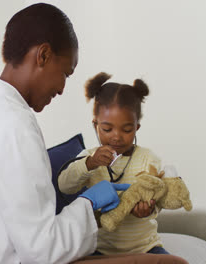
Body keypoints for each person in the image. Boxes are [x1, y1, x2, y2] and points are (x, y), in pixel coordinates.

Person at [0, 4, 130, 264]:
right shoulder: (14, 124)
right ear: (43, 55)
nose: (62, 88)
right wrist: (89, 204)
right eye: (65, 73)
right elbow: (42, 250)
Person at [58, 72, 177, 256]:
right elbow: (64, 185)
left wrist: (150, 208)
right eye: (107, 129)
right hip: (100, 250)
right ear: (95, 124)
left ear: (136, 127)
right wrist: (90, 163)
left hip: (145, 249)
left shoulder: (148, 158)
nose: (116, 136)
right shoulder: (89, 157)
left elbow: (162, 194)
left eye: (127, 129)